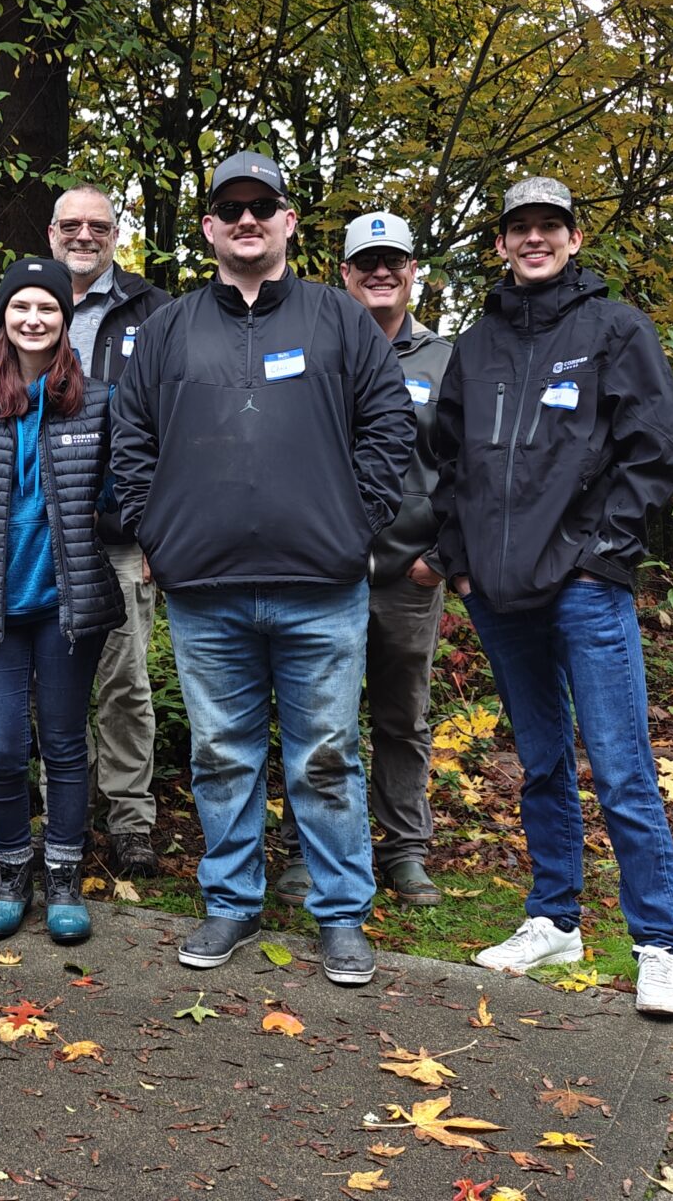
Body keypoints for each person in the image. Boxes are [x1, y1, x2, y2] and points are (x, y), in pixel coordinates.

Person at [111, 151, 413, 986]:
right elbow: (131, 437)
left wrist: (358, 520)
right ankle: (232, 903)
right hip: (205, 590)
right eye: (231, 209)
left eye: (263, 207)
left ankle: (342, 913)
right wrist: (155, 532)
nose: (247, 221)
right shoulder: (169, 327)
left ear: (287, 222)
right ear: (209, 227)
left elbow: (389, 425)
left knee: (326, 754)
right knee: (222, 754)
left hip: (322, 586)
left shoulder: (337, 319)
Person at [434, 177, 673, 1017]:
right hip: (498, 593)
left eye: (550, 226)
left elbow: (651, 455)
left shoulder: (615, 330)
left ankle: (658, 946)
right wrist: (461, 561)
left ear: (574, 239)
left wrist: (600, 555)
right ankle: (554, 919)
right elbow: (447, 465)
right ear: (502, 243)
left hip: (583, 585)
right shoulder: (477, 346)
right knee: (541, 761)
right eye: (520, 228)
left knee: (621, 768)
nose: (534, 239)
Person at [0, 257, 124, 944]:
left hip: (68, 606)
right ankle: (13, 868)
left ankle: (65, 873)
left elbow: (121, 491)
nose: (34, 319)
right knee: (5, 747)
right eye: (21, 308)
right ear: (5, 319)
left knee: (66, 744)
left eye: (48, 308)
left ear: (64, 321)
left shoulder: (96, 400)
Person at [272, 212, 454, 910]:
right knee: (317, 718)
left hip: (408, 576)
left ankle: (404, 851)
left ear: (413, 272)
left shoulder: (444, 360)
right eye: (366, 263)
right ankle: (305, 852)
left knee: (402, 718)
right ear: (344, 274)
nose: (380, 272)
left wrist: (438, 559)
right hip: (321, 572)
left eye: (394, 261)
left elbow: (463, 469)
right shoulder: (313, 351)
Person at [48, 185, 171, 878]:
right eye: (72, 225)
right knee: (54, 683)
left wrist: (158, 531)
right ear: (52, 232)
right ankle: (64, 818)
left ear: (116, 234)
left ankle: (131, 823)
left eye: (98, 225)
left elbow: (172, 426)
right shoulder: (24, 299)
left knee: (124, 685)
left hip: (122, 535)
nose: (84, 236)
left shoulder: (152, 311)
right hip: (43, 536)